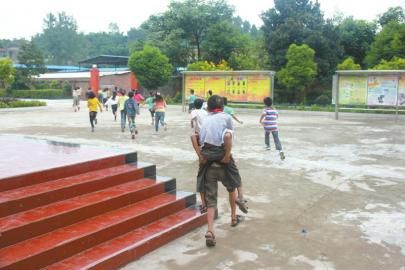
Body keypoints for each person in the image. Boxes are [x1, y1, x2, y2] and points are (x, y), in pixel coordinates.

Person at [191, 95, 246, 247]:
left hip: (207, 160)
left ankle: (210, 230)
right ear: (223, 107)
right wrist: (227, 155)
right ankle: (235, 213)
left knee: (211, 199)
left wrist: (200, 156)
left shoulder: (206, 119)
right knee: (233, 183)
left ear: (207, 107)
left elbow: (199, 138)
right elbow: (228, 136)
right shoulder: (227, 117)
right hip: (223, 156)